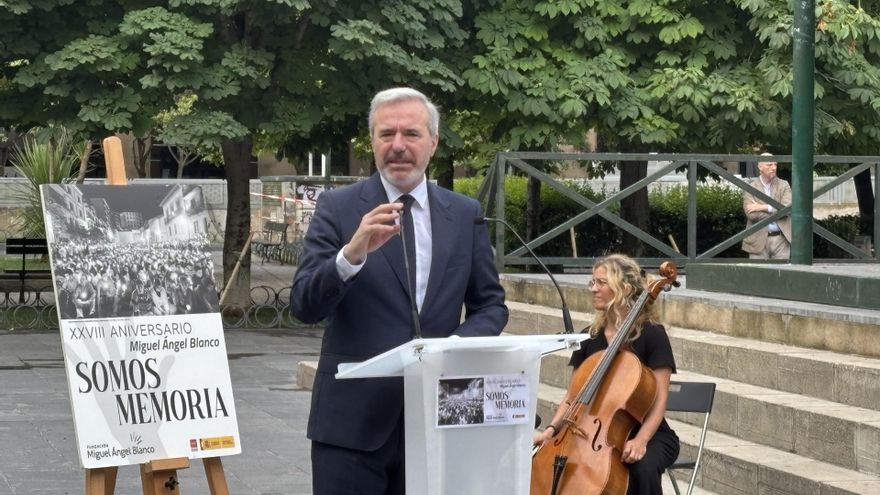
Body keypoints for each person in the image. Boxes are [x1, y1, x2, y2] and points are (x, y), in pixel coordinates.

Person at [290, 87, 509, 495]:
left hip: (444, 414)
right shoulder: (338, 208)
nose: (398, 146)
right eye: (385, 134)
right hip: (352, 424)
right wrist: (350, 256)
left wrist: (453, 349)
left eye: (410, 133)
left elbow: (491, 306)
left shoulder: (464, 214)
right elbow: (303, 305)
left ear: (433, 142)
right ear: (371, 141)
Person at [533, 254, 679, 495]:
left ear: (625, 288)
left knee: (642, 468)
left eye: (602, 283)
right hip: (589, 433)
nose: (594, 289)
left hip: (648, 432)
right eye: (593, 282)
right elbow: (572, 397)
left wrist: (641, 440)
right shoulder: (589, 337)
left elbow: (659, 401)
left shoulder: (652, 335)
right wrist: (551, 430)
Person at [742, 153, 792, 259]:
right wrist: (778, 213)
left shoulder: (784, 185)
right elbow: (752, 215)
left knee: (781, 274)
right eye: (769, 165)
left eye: (775, 164)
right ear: (760, 167)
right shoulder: (750, 187)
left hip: (781, 240)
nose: (773, 168)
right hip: (757, 240)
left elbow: (787, 210)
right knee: (759, 275)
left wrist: (763, 207)